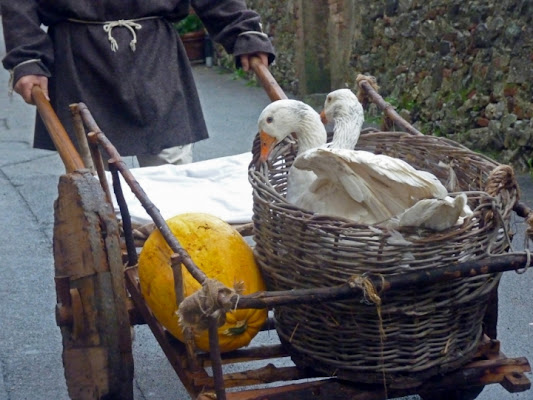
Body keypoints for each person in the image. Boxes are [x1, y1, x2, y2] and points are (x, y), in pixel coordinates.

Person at [0, 1, 275, 167]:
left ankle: (170, 258)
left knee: (171, 177)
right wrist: (27, 57)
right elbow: (18, 5)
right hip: (79, 59)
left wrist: (242, 31)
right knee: (94, 189)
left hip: (155, 57)